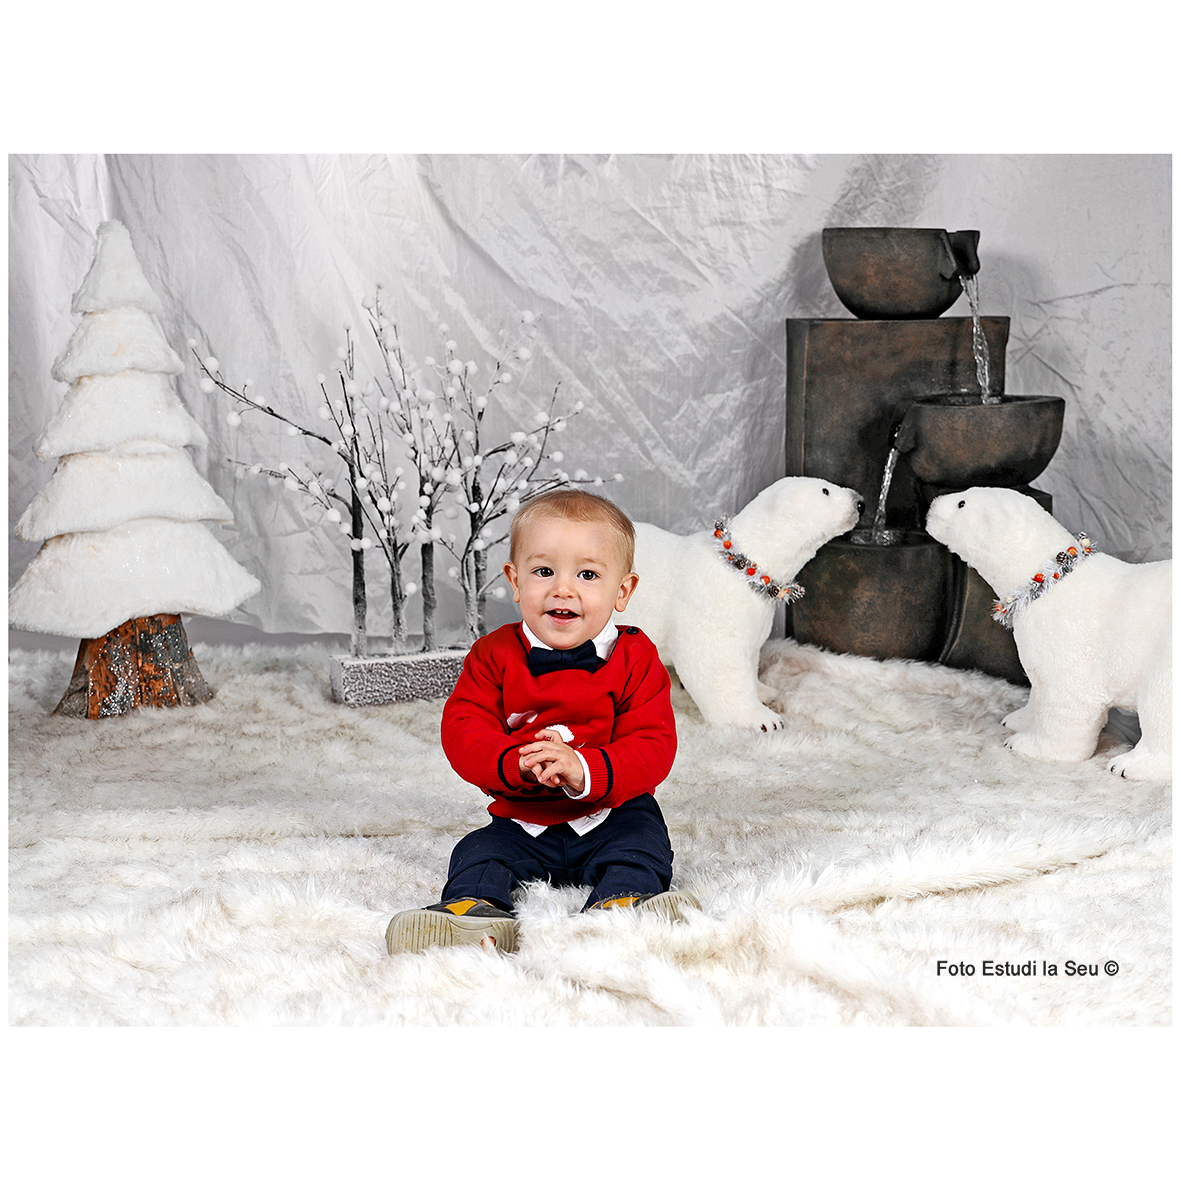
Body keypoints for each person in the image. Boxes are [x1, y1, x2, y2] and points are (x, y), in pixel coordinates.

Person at [386, 488, 696, 954]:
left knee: (643, 845)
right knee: (477, 853)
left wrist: (584, 769)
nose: (562, 589)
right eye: (544, 571)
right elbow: (464, 729)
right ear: (515, 580)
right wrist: (515, 762)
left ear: (623, 591)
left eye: (587, 574)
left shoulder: (636, 657)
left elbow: (653, 744)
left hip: (613, 815)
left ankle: (622, 905)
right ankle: (473, 914)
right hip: (523, 818)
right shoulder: (492, 655)